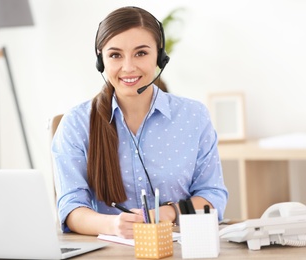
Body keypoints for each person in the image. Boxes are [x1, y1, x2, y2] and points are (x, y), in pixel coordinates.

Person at [51, 6, 228, 239]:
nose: (128, 67)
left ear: (160, 56)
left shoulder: (193, 116)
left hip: (179, 246)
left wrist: (168, 213)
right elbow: (71, 208)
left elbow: (212, 195)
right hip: (109, 252)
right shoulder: (76, 123)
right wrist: (113, 225)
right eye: (115, 55)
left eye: (141, 53)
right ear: (101, 60)